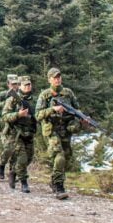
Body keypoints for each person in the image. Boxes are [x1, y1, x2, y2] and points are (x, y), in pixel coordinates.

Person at [35, 67, 82, 200]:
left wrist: (79, 120)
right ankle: (58, 185)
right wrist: (52, 109)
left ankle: (54, 180)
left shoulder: (68, 93)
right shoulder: (45, 95)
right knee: (59, 156)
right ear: (49, 79)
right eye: (55, 77)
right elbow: (38, 114)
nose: (57, 79)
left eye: (59, 77)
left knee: (66, 156)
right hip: (52, 130)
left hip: (65, 129)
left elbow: (77, 109)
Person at [0, 76, 37, 193]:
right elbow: (5, 116)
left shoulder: (34, 100)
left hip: (29, 133)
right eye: (25, 85)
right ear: (20, 86)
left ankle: (13, 172)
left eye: (29, 84)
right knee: (22, 158)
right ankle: (24, 182)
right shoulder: (12, 99)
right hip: (16, 133)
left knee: (29, 158)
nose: (27, 86)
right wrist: (18, 114)